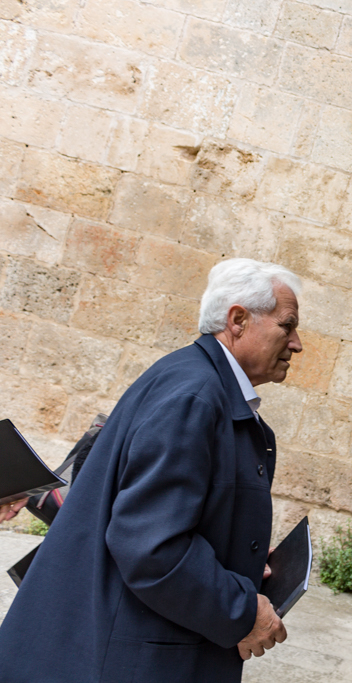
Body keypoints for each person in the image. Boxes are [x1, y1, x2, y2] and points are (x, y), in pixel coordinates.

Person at [0, 258, 302, 683]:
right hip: (127, 658)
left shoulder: (195, 381)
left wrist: (238, 550)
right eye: (287, 326)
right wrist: (241, 612)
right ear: (237, 320)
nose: (297, 344)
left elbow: (174, 514)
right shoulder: (195, 396)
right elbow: (150, 545)